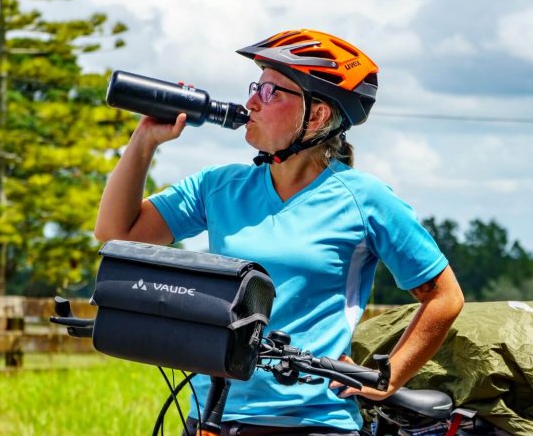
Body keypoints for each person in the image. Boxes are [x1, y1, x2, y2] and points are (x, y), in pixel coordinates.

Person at [94, 29, 464, 435]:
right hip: (211, 414)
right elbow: (117, 233)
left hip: (311, 422)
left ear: (318, 115)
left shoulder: (364, 199)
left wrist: (389, 375)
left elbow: (444, 296)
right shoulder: (219, 186)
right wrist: (144, 140)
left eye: (271, 92)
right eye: (256, 87)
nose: (251, 101)